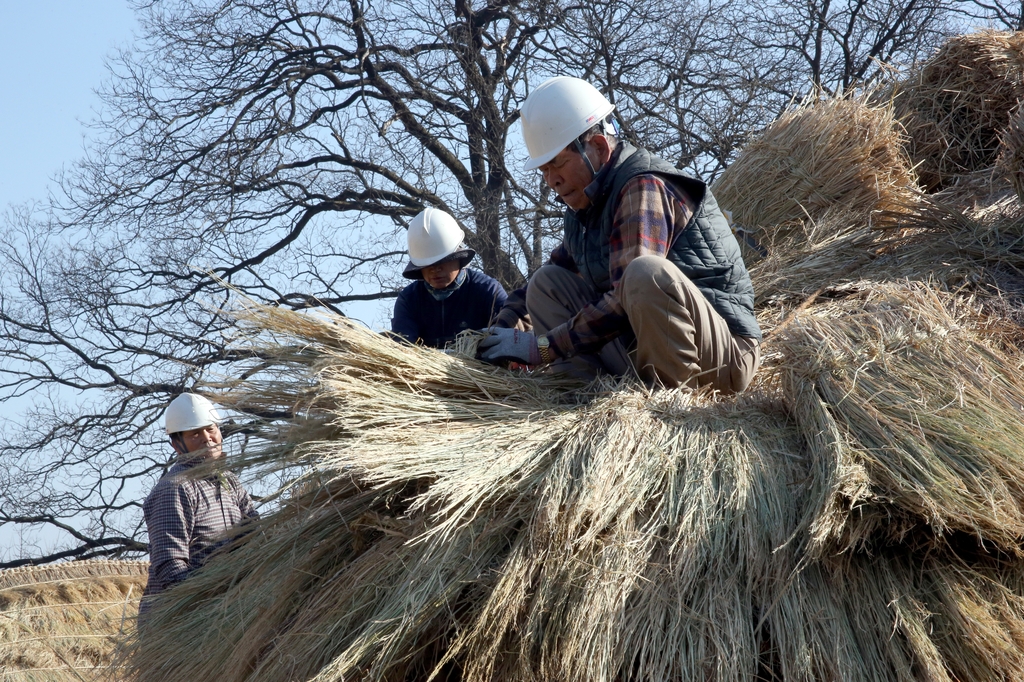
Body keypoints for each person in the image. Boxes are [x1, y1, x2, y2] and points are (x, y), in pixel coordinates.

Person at [479, 76, 761, 392]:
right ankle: (580, 398)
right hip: (645, 346)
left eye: (557, 164)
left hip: (718, 355)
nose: (551, 181)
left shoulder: (643, 187)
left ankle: (672, 405)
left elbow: (630, 290)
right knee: (546, 284)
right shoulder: (586, 208)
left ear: (597, 146)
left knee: (645, 273)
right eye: (544, 170)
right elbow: (541, 285)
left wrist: (542, 347)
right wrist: (490, 340)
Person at [139, 393, 258, 623]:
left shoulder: (230, 482)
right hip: (180, 622)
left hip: (228, 610)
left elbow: (255, 537)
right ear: (176, 444)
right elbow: (170, 567)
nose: (207, 439)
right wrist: (210, 602)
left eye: (211, 429)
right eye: (195, 433)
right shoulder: (174, 490)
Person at [391, 207, 509, 349]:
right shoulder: (409, 299)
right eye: (427, 265)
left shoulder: (488, 291)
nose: (435, 270)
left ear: (459, 257)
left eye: (442, 262)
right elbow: (402, 347)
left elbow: (507, 335)